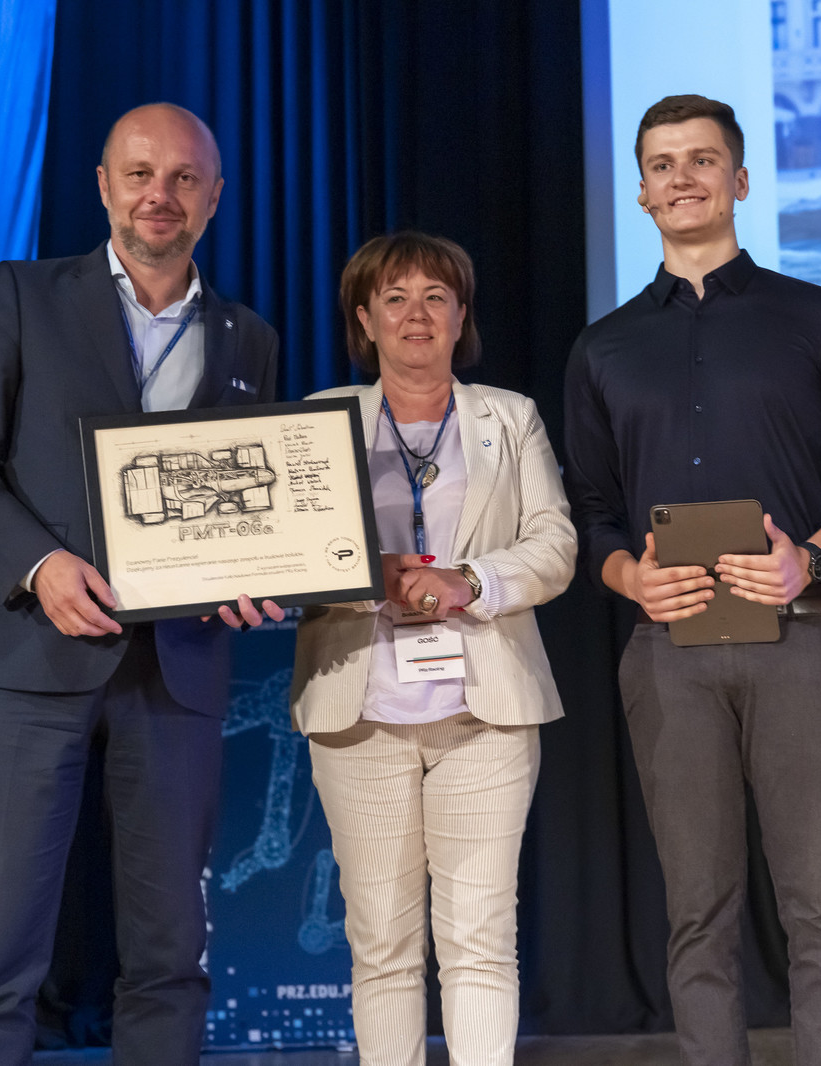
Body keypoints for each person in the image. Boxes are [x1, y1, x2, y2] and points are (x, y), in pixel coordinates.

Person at [0, 103, 281, 1066]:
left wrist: (253, 577)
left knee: (172, 958)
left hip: (178, 671)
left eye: (184, 178)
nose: (161, 194)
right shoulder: (24, 295)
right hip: (30, 659)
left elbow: (249, 507)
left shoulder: (248, 337)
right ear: (103, 185)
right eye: (140, 173)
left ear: (214, 196)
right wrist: (40, 565)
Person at [564, 95, 821, 1066]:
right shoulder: (602, 348)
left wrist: (812, 557)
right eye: (662, 164)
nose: (682, 177)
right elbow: (588, 509)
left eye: (702, 159)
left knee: (820, 904)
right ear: (641, 192)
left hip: (801, 637)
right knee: (696, 912)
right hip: (668, 650)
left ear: (741, 180)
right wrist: (627, 576)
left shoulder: (817, 317)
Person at [290, 232, 575, 1066]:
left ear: (460, 317)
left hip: (484, 712)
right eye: (395, 298)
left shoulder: (510, 417)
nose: (416, 314)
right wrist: (363, 576)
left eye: (436, 297)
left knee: (480, 939)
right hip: (359, 713)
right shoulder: (318, 418)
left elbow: (555, 544)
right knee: (381, 944)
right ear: (364, 320)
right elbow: (288, 555)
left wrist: (469, 581)